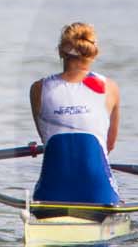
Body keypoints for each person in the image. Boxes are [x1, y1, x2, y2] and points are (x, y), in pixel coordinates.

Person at [27, 22, 121, 211]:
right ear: (93, 54)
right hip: (98, 194)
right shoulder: (110, 87)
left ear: (61, 52)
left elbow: (46, 139)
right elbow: (109, 146)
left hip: (51, 194)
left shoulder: (38, 88)